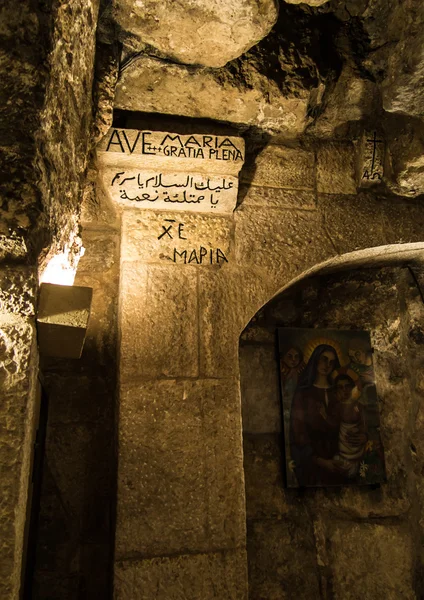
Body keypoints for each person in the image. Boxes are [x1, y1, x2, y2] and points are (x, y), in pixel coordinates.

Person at [290, 344, 349, 486]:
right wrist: (320, 461)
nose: (327, 365)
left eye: (331, 362)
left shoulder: (338, 392)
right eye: (323, 359)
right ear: (316, 360)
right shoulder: (303, 394)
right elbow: (299, 432)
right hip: (313, 462)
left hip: (340, 458)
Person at [332, 374, 367, 478]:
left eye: (347, 386)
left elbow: (365, 425)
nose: (345, 390)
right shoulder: (337, 407)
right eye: (341, 387)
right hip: (343, 450)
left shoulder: (359, 406)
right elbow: (332, 426)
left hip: (357, 450)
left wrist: (364, 435)